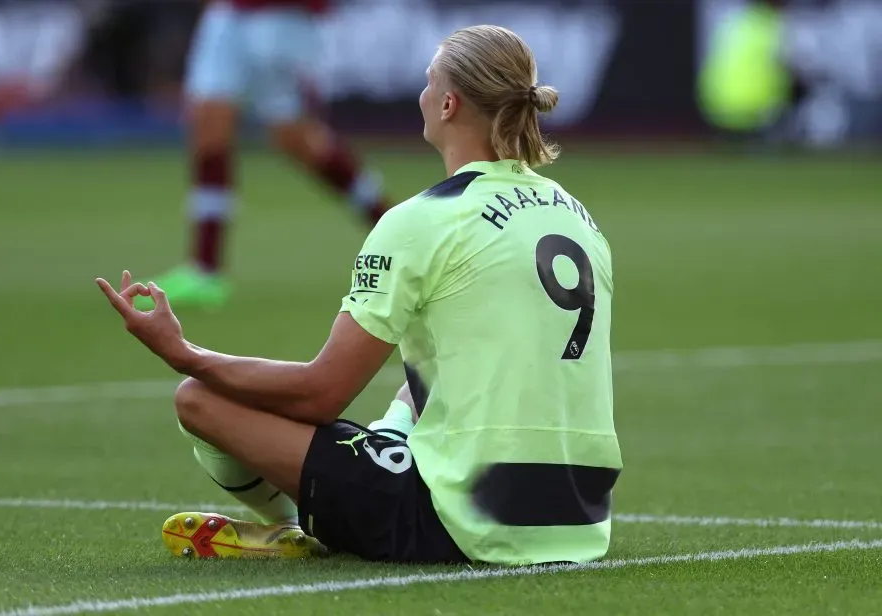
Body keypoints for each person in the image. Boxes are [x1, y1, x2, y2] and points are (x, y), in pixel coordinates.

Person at [98, 25, 622, 564]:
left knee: (200, 397)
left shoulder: (422, 219)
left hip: (463, 524)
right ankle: (358, 481)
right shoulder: (577, 216)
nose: (420, 96)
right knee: (419, 383)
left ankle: (292, 529)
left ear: (447, 104)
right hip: (579, 522)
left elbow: (320, 394)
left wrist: (182, 352)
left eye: (427, 83)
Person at [134, 0, 392, 310]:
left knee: (296, 139)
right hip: (230, 12)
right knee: (207, 123)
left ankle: (395, 227)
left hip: (283, 16)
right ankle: (205, 271)